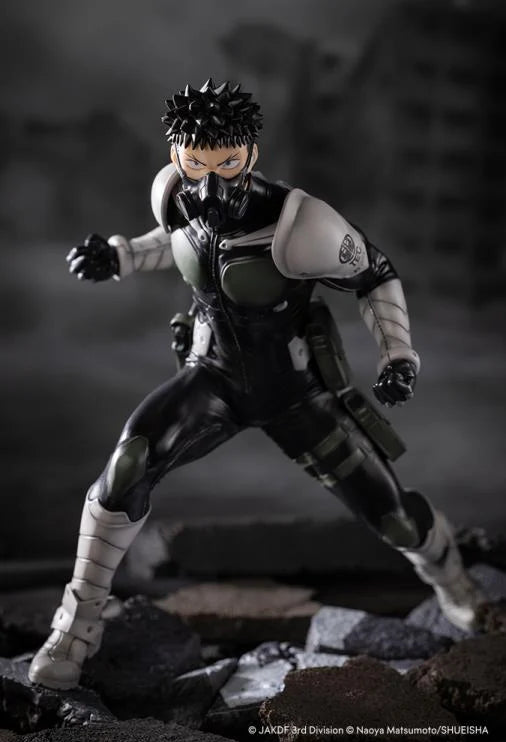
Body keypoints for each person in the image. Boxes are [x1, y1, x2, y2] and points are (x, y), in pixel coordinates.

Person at [29, 79, 484, 690]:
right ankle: (75, 627)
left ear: (251, 152)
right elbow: (179, 241)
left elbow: (375, 274)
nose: (211, 183)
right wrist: (123, 256)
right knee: (129, 464)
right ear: (177, 155)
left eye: (228, 164)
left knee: (395, 518)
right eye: (196, 164)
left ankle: (454, 581)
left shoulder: (300, 224)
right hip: (212, 378)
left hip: (296, 393)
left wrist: (397, 353)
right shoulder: (175, 194)